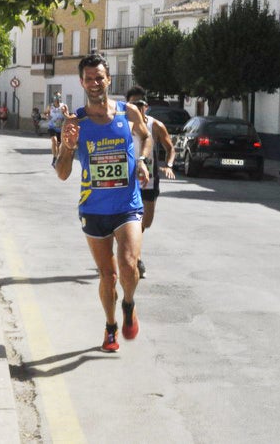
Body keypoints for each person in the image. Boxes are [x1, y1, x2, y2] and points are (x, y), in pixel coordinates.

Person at [55, 54, 152, 353]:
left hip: (128, 204)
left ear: (108, 79)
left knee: (128, 264)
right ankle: (111, 326)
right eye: (89, 79)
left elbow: (146, 137)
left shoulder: (129, 112)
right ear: (82, 83)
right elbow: (62, 172)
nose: (95, 83)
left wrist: (143, 160)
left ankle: (129, 303)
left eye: (99, 77)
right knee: (107, 275)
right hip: (93, 209)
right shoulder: (75, 122)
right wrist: (68, 147)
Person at [125, 86, 176, 279]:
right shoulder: (120, 123)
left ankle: (130, 249)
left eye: (140, 104)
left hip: (149, 179)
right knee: (129, 222)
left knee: (145, 222)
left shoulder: (155, 125)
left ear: (146, 106)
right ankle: (134, 257)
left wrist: (169, 164)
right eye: (132, 104)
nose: (137, 108)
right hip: (126, 180)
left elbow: (170, 147)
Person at [44, 94, 65, 167]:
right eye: (56, 98)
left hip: (61, 128)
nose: (58, 100)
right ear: (54, 99)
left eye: (59, 97)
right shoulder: (50, 106)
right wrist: (47, 116)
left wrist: (65, 116)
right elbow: (46, 113)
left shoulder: (63, 106)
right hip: (52, 127)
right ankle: (55, 158)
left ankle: (56, 157)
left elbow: (67, 114)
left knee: (59, 144)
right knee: (54, 140)